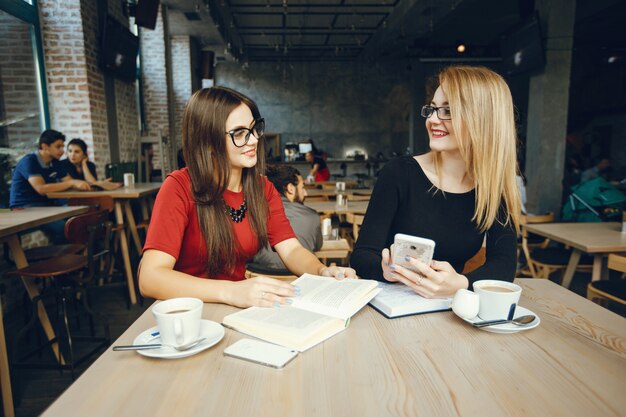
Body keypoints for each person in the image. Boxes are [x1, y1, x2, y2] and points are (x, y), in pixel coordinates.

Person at [139, 87, 355, 308]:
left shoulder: (262, 188)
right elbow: (150, 278)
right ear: (208, 142)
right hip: (187, 313)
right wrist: (231, 291)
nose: (253, 140)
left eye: (254, 129)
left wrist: (321, 271)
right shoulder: (179, 187)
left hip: (236, 308)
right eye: (239, 134)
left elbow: (291, 249)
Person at [350, 66, 521, 298]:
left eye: (448, 111)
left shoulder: (493, 187)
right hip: (393, 304)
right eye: (432, 109)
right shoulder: (400, 173)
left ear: (483, 120)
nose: (432, 119)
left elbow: (504, 265)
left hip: (449, 309)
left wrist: (461, 284)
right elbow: (362, 255)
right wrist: (387, 271)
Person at [9, 129, 91, 242]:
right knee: (66, 229)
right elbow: (41, 189)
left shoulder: (55, 162)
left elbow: (72, 183)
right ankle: (64, 257)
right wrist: (72, 183)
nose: (62, 151)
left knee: (81, 221)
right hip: (24, 207)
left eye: (63, 146)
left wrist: (89, 185)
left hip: (46, 206)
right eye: (58, 147)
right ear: (45, 146)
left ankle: (79, 255)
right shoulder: (29, 161)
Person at [248, 164, 323, 274]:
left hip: (258, 277)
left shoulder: (254, 213)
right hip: (299, 279)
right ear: (290, 189)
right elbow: (317, 246)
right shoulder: (312, 216)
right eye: (302, 187)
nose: (305, 193)